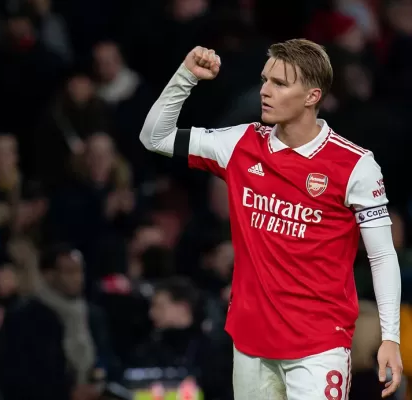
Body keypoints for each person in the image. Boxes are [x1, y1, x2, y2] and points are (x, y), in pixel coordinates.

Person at [139, 39, 403, 399]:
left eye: (280, 83)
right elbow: (154, 137)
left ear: (312, 96)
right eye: (265, 79)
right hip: (250, 342)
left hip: (318, 346)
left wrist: (390, 337)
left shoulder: (355, 165)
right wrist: (186, 76)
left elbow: (382, 255)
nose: (264, 90)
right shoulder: (240, 144)